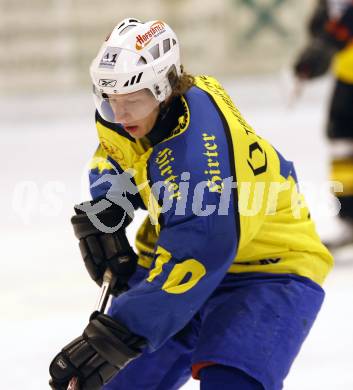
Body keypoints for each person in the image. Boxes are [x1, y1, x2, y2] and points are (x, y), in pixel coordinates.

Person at [49, 18, 333, 390]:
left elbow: (198, 253)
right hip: (180, 256)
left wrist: (119, 333)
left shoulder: (200, 158)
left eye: (131, 101)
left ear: (163, 88)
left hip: (268, 270)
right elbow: (116, 154)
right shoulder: (140, 112)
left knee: (232, 382)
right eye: (110, 100)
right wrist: (110, 208)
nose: (119, 115)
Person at [294, 0, 353, 248]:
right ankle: (349, 217)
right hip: (347, 75)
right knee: (339, 140)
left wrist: (331, 37)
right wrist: (321, 32)